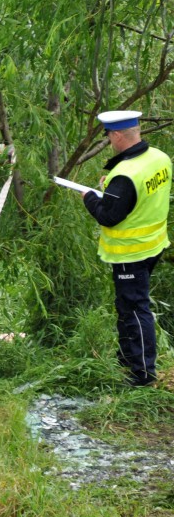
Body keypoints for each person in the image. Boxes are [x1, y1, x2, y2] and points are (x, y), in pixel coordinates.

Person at [81, 110, 171, 386]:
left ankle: (142, 374)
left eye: (109, 136)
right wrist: (109, 191)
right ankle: (128, 358)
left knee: (134, 309)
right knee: (128, 305)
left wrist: (89, 198)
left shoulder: (125, 174)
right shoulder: (158, 157)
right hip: (154, 244)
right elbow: (142, 196)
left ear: (118, 135)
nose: (109, 141)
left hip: (130, 252)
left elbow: (108, 216)